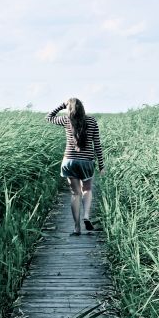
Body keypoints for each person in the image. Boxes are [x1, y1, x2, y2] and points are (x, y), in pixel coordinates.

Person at [46, 98, 105, 235]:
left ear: (69, 108)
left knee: (75, 193)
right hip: (87, 161)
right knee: (87, 189)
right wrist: (101, 165)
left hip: (69, 161)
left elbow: (49, 117)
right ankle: (86, 216)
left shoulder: (66, 120)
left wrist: (62, 105)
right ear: (82, 107)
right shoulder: (92, 121)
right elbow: (97, 145)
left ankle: (77, 227)